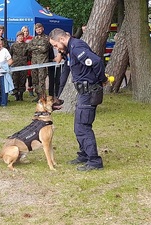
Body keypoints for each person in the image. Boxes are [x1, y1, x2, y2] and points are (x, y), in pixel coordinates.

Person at [49, 28, 108, 171]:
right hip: (84, 92)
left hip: (89, 92)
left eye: (56, 45)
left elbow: (96, 61)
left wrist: (102, 79)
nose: (56, 49)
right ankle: (84, 155)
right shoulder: (71, 49)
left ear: (62, 39)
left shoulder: (76, 47)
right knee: (78, 125)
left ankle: (94, 161)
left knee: (83, 127)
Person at [27, 23, 52, 102]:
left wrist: (35, 47)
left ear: (43, 29)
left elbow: (44, 49)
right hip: (34, 62)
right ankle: (38, 95)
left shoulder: (46, 38)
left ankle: (43, 96)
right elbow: (29, 47)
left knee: (41, 80)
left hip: (42, 62)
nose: (38, 30)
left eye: (40, 29)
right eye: (37, 29)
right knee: (35, 80)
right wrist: (38, 47)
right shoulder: (34, 38)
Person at [9, 31, 28, 101]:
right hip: (15, 65)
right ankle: (16, 95)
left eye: (22, 36)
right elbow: (10, 55)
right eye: (19, 36)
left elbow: (28, 55)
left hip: (23, 65)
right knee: (15, 80)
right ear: (17, 37)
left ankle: (21, 95)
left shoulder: (26, 45)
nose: (21, 37)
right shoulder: (13, 45)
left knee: (22, 80)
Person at [21, 25, 34, 97]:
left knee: (30, 76)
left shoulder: (31, 39)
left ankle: (31, 90)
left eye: (27, 31)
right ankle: (21, 91)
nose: (26, 33)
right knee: (22, 76)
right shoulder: (20, 39)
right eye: (24, 31)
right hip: (23, 60)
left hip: (30, 60)